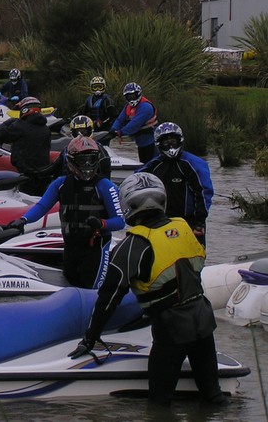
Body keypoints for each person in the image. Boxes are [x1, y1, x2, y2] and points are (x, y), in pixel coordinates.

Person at [69, 172, 228, 407]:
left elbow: (108, 297)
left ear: (128, 205)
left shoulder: (132, 245)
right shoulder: (183, 226)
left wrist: (90, 339)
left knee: (159, 406)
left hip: (171, 331)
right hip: (203, 321)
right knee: (214, 398)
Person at [7, 135, 125, 288]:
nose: (87, 165)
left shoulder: (105, 186)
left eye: (91, 159)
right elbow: (42, 206)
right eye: (83, 160)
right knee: (72, 285)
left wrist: (101, 224)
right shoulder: (60, 184)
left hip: (95, 248)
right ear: (71, 161)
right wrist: (23, 220)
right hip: (70, 247)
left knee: (92, 287)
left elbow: (120, 222)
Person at [137, 122, 214, 246]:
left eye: (173, 141)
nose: (170, 145)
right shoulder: (154, 166)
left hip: (190, 221)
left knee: (193, 257)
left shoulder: (194, 163)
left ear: (180, 140)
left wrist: (199, 222)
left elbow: (204, 192)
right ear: (159, 144)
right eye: (166, 142)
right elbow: (134, 183)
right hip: (162, 221)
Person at [0, 97, 51, 196]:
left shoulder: (21, 125)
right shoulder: (45, 128)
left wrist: (1, 125)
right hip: (41, 173)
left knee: (24, 201)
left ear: (25, 109)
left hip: (25, 172)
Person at [109, 82, 158, 163]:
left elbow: (134, 124)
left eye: (133, 96)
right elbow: (120, 120)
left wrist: (120, 132)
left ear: (138, 94)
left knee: (151, 164)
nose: (131, 99)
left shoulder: (146, 107)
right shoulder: (128, 107)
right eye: (128, 97)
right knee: (143, 163)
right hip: (141, 142)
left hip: (151, 141)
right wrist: (113, 129)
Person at [54, 115, 112, 180]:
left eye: (84, 132)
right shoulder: (66, 150)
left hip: (92, 184)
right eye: (78, 132)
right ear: (72, 133)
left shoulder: (100, 150)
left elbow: (106, 173)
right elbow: (56, 171)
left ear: (90, 131)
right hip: (70, 184)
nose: (81, 135)